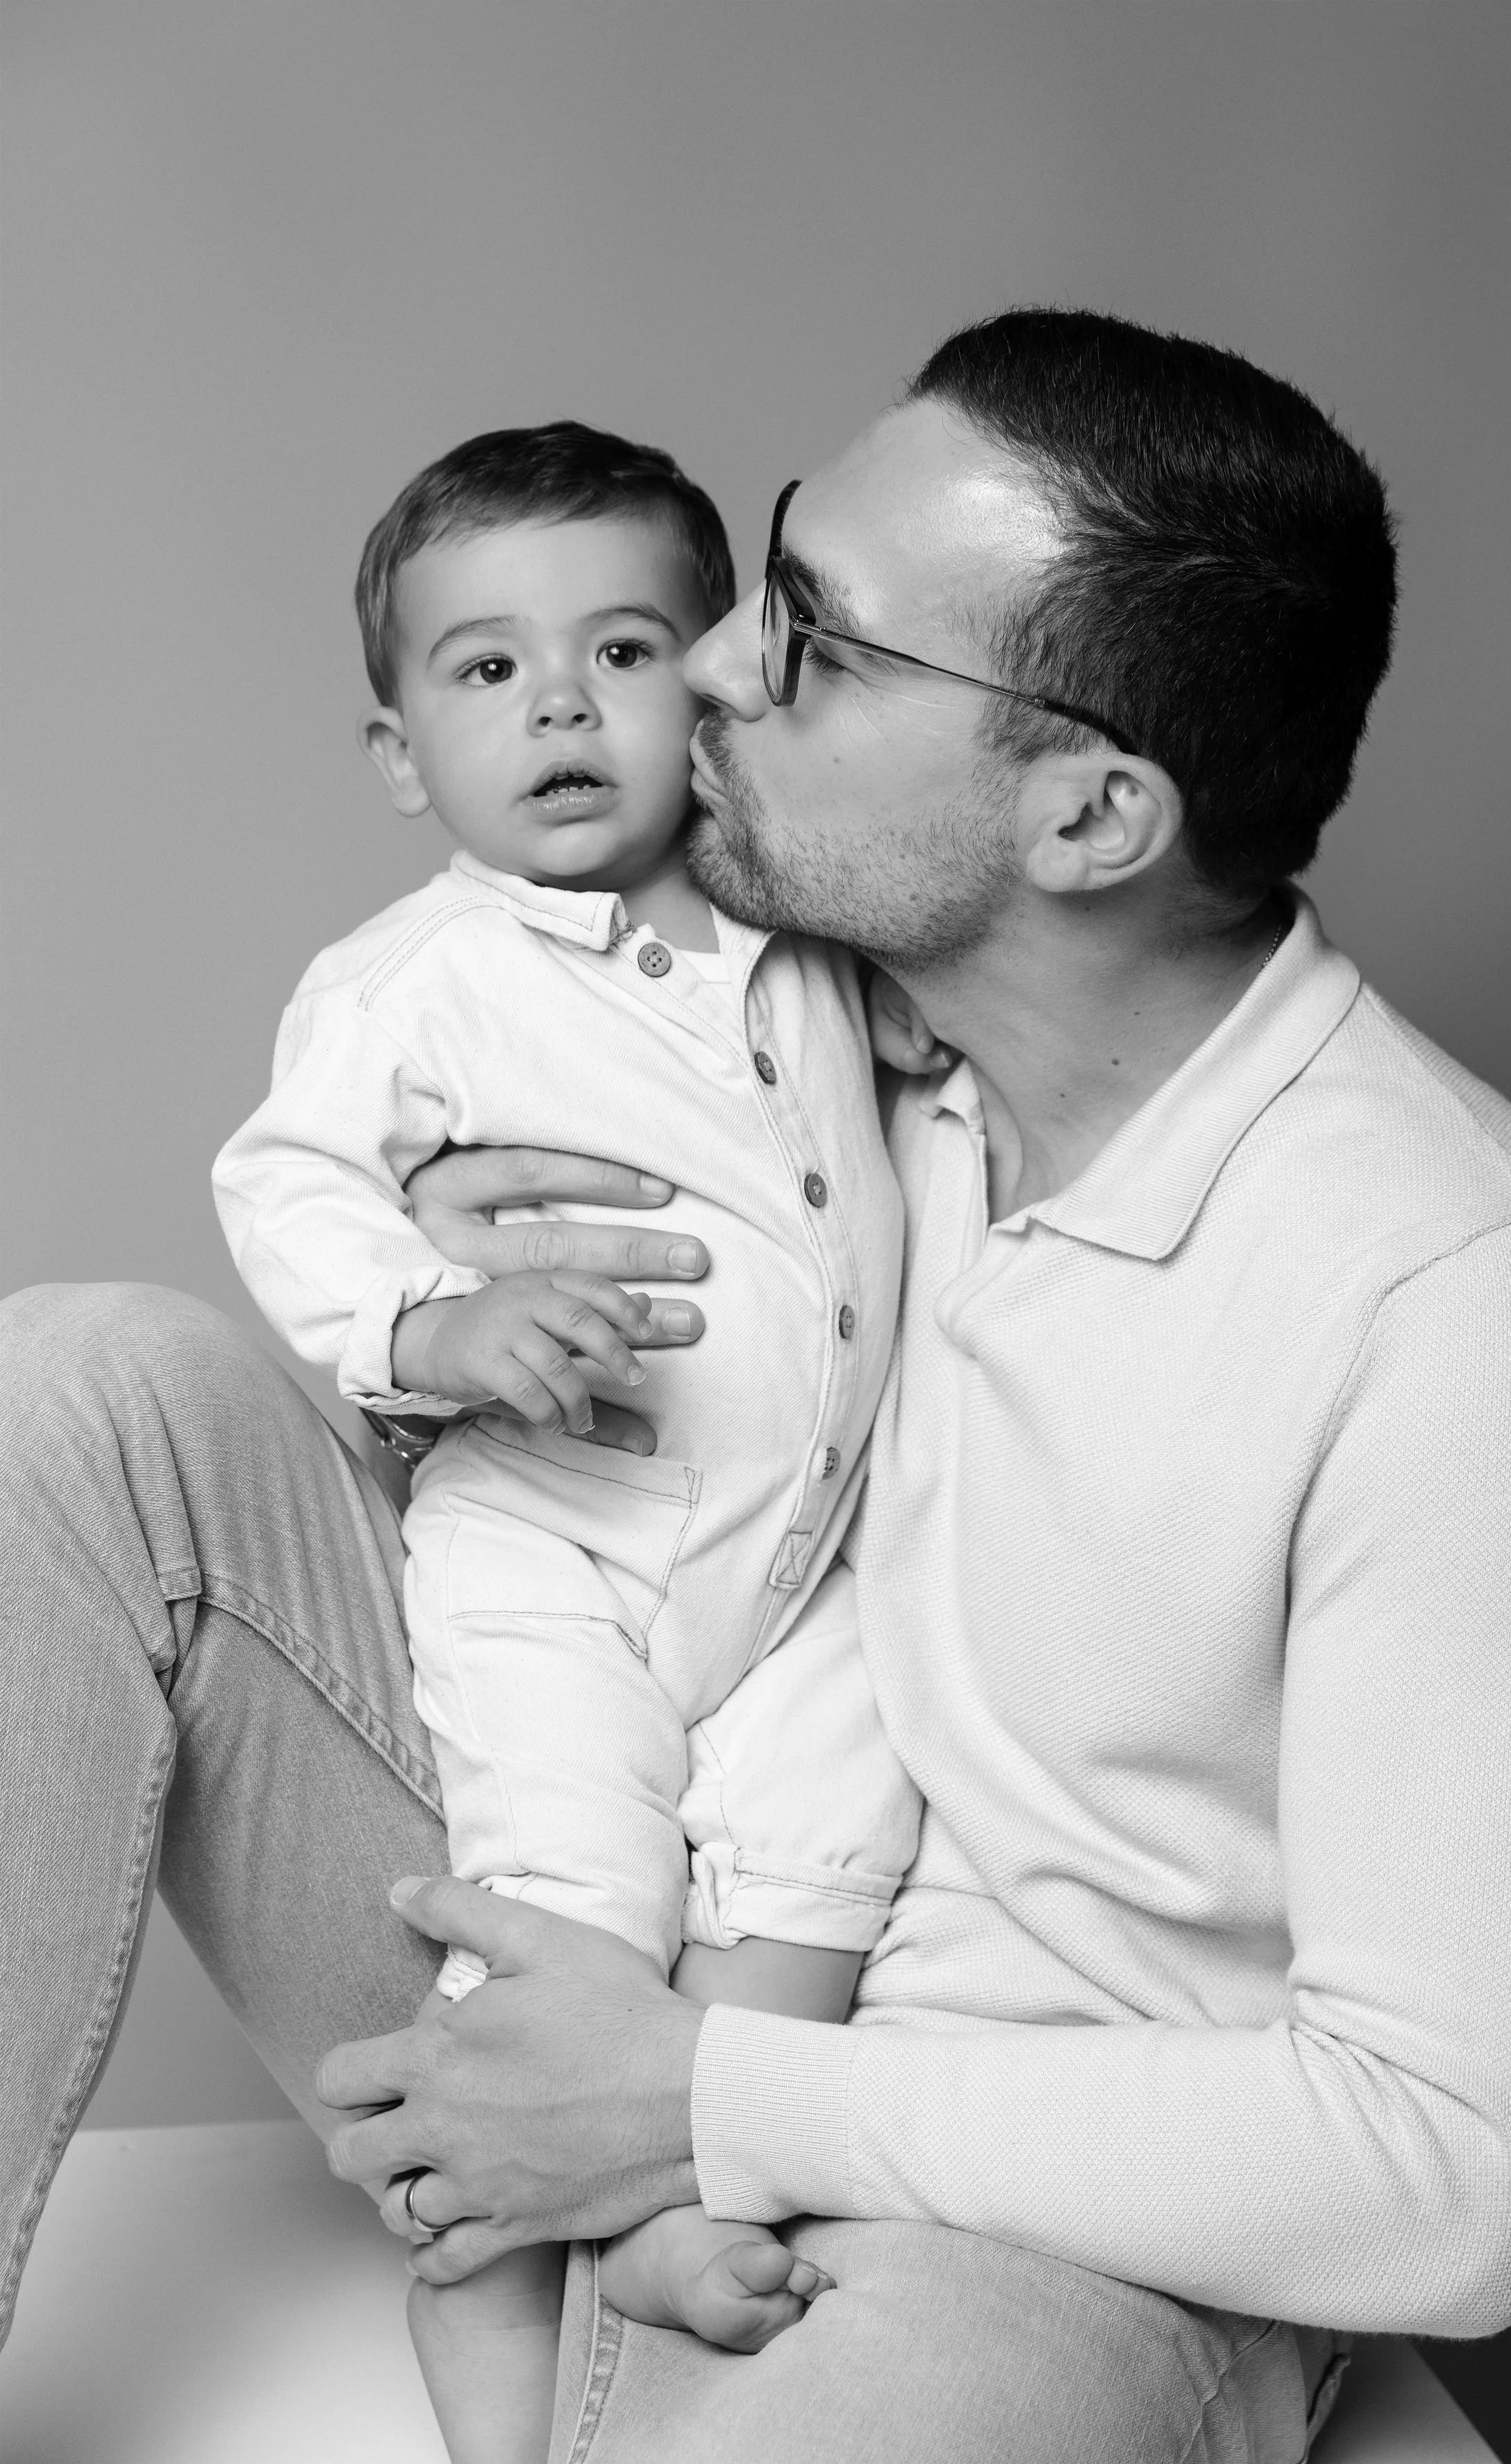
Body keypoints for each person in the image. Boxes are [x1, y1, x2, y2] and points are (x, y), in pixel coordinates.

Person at [0, 310, 1511, 2464]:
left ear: (1085, 809)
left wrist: (702, 2093)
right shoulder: (787, 1024)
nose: (709, 670)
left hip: (1014, 2211)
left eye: (821, 644)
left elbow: (1456, 2174)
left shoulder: (1440, 1284)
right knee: (79, 1387)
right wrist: (444, 1350)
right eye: (768, 578)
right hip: (596, 1898)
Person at [211, 419, 927, 2457]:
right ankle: (502, 2381)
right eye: (487, 668)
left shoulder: (811, 933)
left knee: (820, 1872)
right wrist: (438, 1317)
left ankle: (687, 2200)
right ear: (398, 752)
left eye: (621, 649)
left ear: (710, 682)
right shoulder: (416, 980)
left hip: (812, 1554)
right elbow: (293, 1186)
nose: (559, 703)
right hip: (561, 1538)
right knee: (560, 1926)